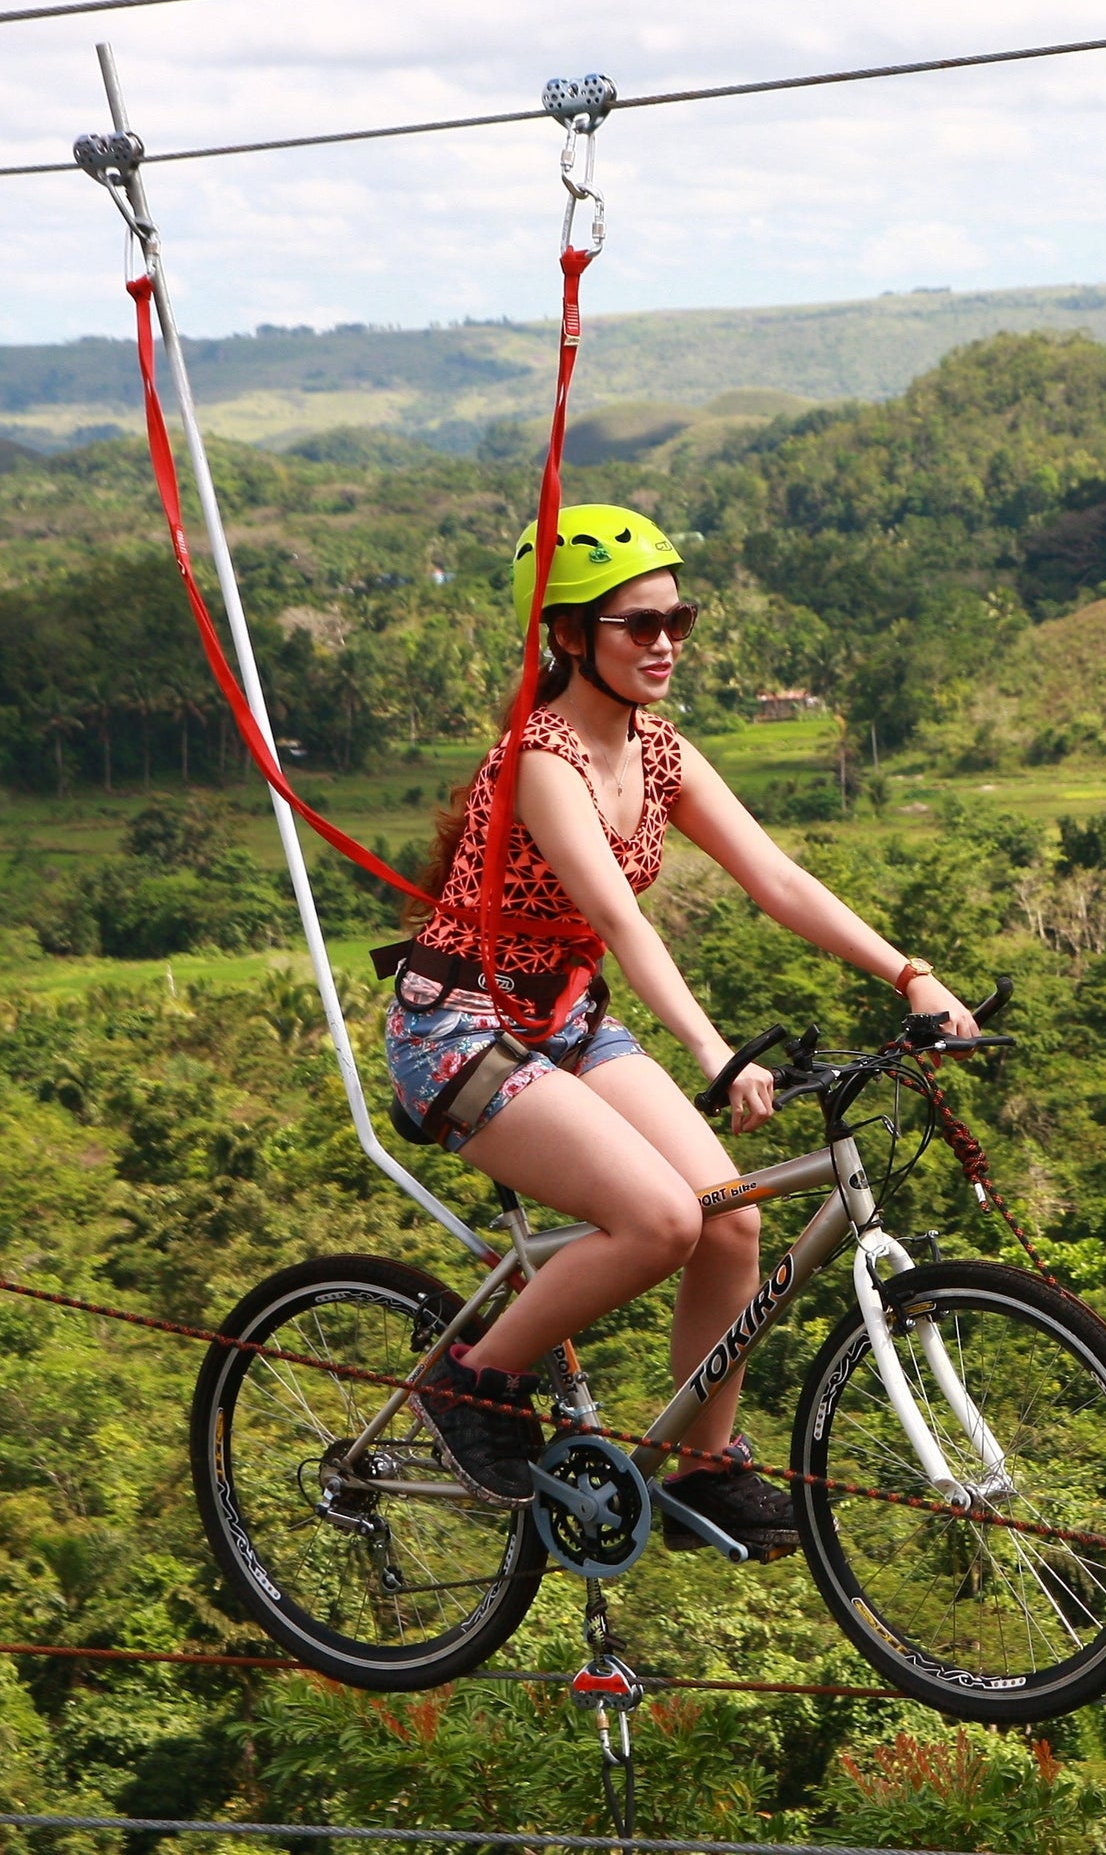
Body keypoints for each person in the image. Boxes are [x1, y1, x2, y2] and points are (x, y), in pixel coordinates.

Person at [382, 503, 978, 1555]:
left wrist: (909, 974)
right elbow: (618, 913)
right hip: (460, 1030)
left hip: (564, 1019)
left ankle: (704, 1468)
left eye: (678, 620)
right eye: (636, 625)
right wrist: (712, 1053)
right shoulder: (540, 758)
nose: (664, 644)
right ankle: (471, 1383)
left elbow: (777, 879)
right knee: (662, 1221)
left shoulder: (659, 753)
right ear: (569, 637)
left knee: (732, 1216)